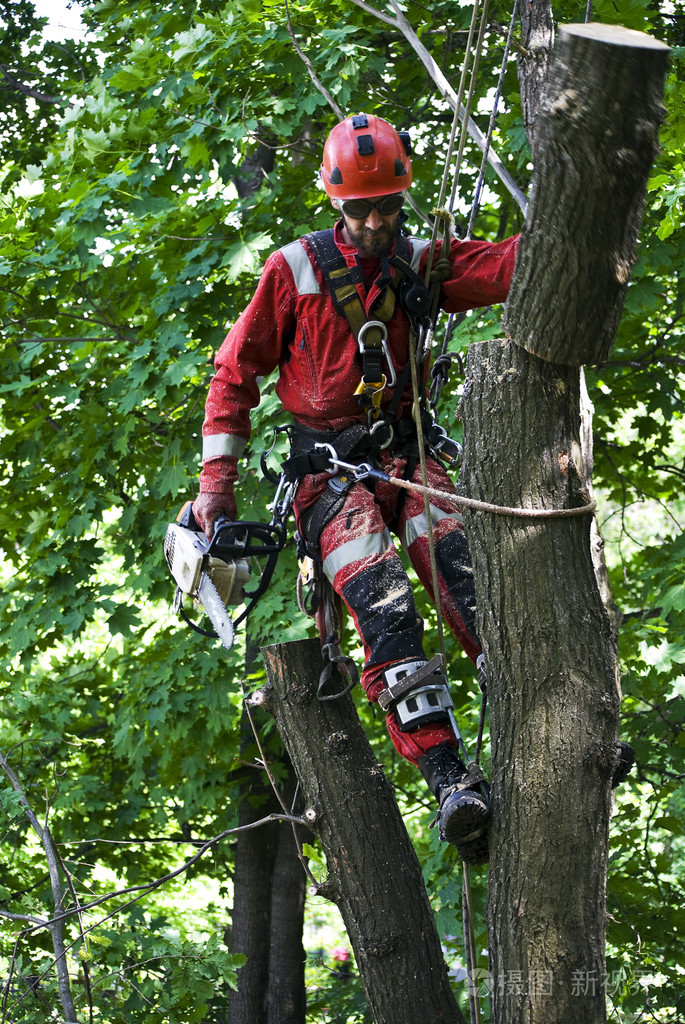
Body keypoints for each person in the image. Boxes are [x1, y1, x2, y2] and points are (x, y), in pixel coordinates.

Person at [193, 113, 519, 864]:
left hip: (406, 459)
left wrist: (568, 232)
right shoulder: (294, 271)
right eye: (361, 210)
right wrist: (217, 486)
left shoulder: (420, 263)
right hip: (329, 480)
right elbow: (234, 373)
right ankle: (450, 781)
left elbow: (505, 267)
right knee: (387, 611)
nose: (375, 223)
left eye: (387, 208)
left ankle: (548, 733)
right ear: (336, 204)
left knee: (473, 586)